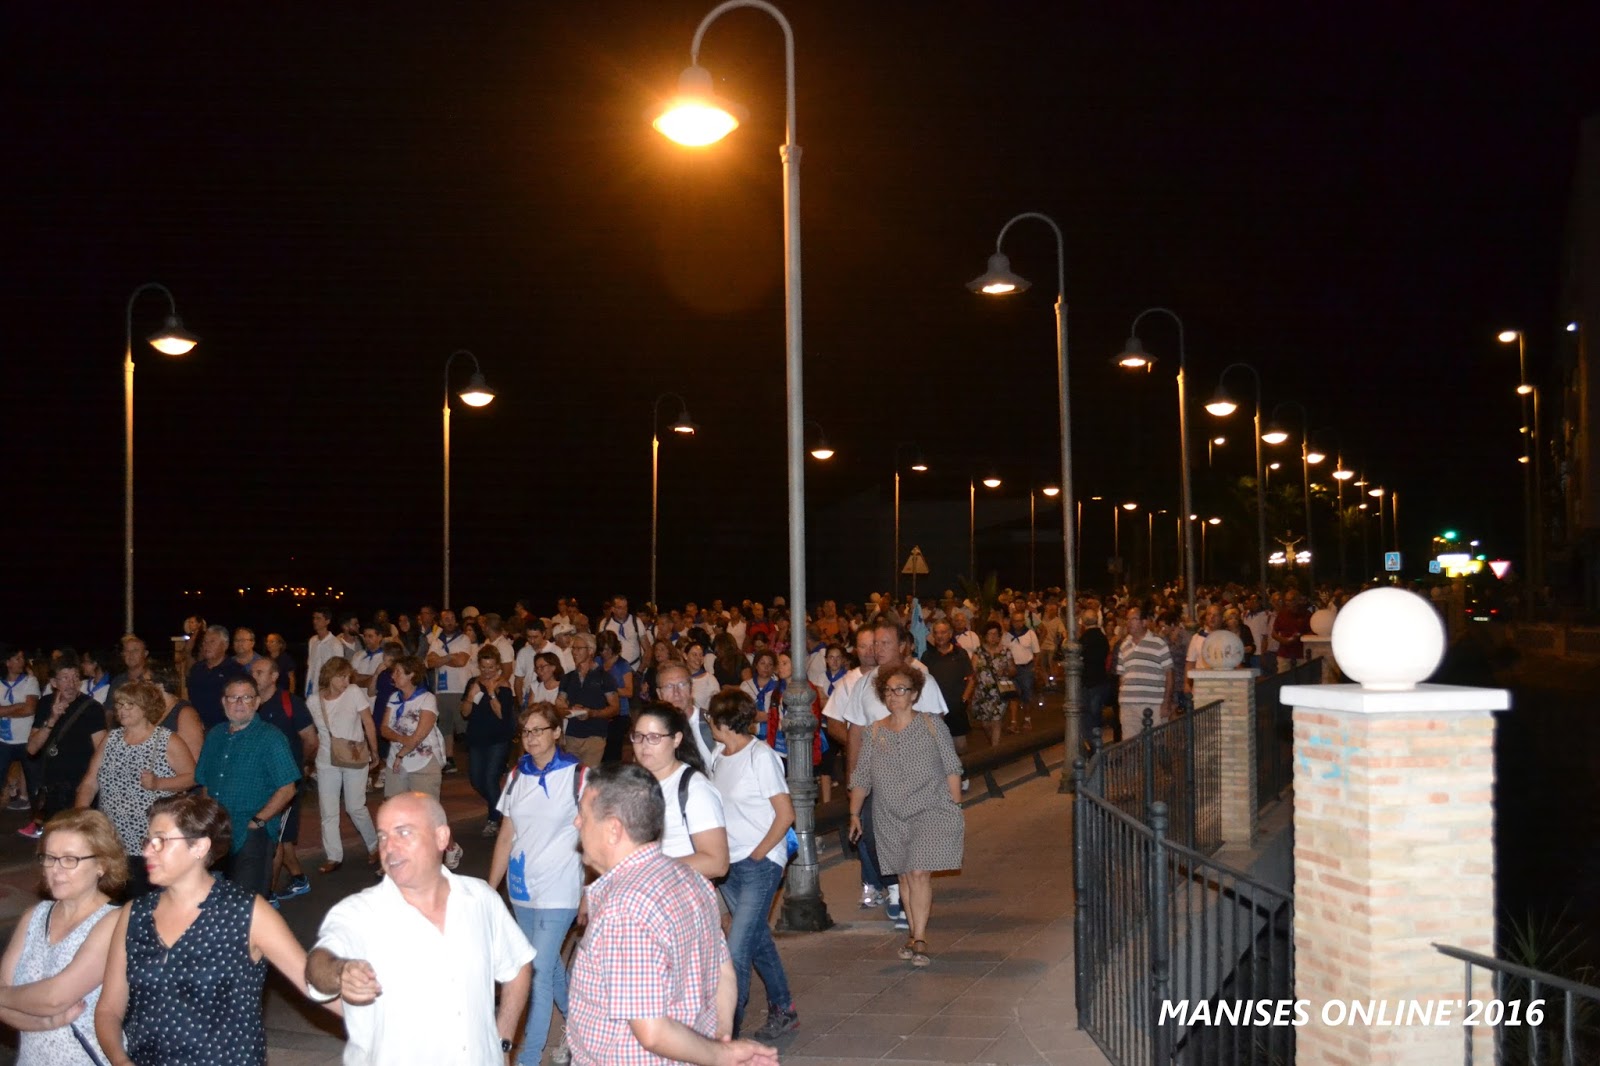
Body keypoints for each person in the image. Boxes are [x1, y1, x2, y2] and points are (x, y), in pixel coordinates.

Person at [567, 763, 778, 1066]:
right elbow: (723, 971)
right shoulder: (690, 879)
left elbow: (651, 1031)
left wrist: (721, 1054)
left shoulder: (624, 910)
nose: (576, 822)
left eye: (584, 815)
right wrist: (720, 1039)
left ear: (613, 829)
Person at [95, 793, 325, 1066]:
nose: (146, 851)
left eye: (160, 841)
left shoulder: (246, 912)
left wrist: (359, 994)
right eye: (148, 841)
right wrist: (121, 1061)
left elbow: (313, 983)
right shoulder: (134, 915)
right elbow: (109, 1009)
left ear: (199, 847)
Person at [306, 795, 533, 1066]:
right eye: (382, 836)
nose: (389, 847)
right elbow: (318, 965)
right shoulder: (359, 913)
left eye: (403, 833)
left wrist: (503, 1042)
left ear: (441, 837)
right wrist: (340, 971)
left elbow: (518, 965)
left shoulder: (480, 898)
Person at [847, 665, 964, 968]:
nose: (893, 695)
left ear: (913, 694)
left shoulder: (931, 725)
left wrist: (955, 806)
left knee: (919, 872)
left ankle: (920, 938)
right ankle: (913, 934)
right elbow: (862, 777)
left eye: (900, 689)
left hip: (929, 809)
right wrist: (854, 813)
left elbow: (952, 766)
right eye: (888, 691)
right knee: (904, 875)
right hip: (889, 815)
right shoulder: (874, 732)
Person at [488, 706, 584, 1066]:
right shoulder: (517, 775)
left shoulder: (578, 775)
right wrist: (489, 889)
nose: (531, 738)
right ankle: (580, 1027)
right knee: (548, 964)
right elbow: (506, 836)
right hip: (522, 887)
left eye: (539, 730)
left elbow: (593, 834)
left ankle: (528, 1058)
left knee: (537, 972)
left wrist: (592, 887)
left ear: (557, 732)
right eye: (526, 731)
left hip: (561, 887)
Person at [705, 690, 798, 1041]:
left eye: (711, 717)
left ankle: (726, 1033)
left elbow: (785, 814)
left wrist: (759, 853)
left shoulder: (761, 757)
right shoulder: (718, 756)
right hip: (729, 867)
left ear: (722, 721)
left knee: (736, 950)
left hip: (759, 864)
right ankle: (784, 1009)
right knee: (757, 941)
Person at [0, 809, 125, 1062]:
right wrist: (47, 1023)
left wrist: (6, 997)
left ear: (102, 865)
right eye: (49, 858)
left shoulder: (115, 922)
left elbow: (55, 997)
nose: (55, 870)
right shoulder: (34, 916)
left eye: (70, 859)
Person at [75, 680, 195, 897]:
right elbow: (90, 781)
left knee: (146, 899)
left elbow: (193, 777)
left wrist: (159, 783)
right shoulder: (111, 739)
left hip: (149, 838)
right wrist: (81, 816)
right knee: (113, 897)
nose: (122, 710)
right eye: (119, 705)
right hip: (113, 837)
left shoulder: (166, 740)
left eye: (130, 705)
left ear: (146, 707)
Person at [192, 677, 301, 899]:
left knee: (248, 901)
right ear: (224, 702)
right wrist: (207, 819)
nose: (239, 703)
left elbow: (288, 788)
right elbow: (204, 781)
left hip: (253, 833)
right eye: (233, 697)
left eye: (246, 697)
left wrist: (258, 821)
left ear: (257, 702)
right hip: (217, 831)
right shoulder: (215, 735)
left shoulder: (271, 738)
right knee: (217, 899)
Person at [629, 703, 727, 880]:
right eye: (638, 736)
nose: (644, 745)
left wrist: (650, 869)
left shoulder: (695, 788)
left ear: (676, 739)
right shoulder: (633, 783)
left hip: (677, 890)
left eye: (654, 737)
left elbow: (717, 863)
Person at [249, 658, 317, 903]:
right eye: (252, 671)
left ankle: (267, 895)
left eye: (259, 672)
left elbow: (311, 740)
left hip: (285, 783)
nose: (253, 675)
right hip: (257, 782)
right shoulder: (250, 704)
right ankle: (298, 878)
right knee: (282, 835)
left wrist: (300, 767)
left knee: (274, 837)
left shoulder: (291, 704)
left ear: (274, 676)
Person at [306, 658, 379, 874]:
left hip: (354, 756)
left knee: (355, 807)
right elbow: (312, 733)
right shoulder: (313, 701)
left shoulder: (354, 692)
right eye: (341, 677)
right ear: (329, 676)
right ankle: (333, 856)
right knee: (328, 810)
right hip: (326, 760)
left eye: (348, 676)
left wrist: (375, 751)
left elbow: (368, 722)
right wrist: (308, 760)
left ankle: (374, 845)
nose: (346, 681)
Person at [23, 655, 106, 838]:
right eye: (65, 678)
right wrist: (52, 720)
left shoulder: (92, 708)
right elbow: (32, 748)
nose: (71, 683)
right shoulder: (45, 704)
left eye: (75, 677)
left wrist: (90, 785)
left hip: (80, 787)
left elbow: (102, 751)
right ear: (54, 682)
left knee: (81, 838)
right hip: (52, 788)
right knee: (55, 839)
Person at [461, 645, 516, 838]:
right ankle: (501, 807)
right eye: (483, 667)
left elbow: (502, 715)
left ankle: (493, 818)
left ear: (498, 666)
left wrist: (492, 693)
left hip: (498, 739)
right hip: (477, 738)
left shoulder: (504, 686)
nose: (487, 671)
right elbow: (464, 713)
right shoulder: (473, 683)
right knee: (476, 780)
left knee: (491, 778)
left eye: (491, 667)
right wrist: (470, 696)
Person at [379, 655, 445, 798]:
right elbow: (384, 729)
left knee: (424, 809)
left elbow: (418, 736)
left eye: (398, 672)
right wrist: (402, 739)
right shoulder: (394, 698)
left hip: (423, 763)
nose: (393, 676)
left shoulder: (427, 698)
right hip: (395, 763)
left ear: (411, 675)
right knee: (394, 807)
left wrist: (400, 755)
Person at [555, 634, 618, 768]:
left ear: (590, 651)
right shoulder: (567, 678)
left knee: (587, 776)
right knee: (571, 776)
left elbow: (615, 708)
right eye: (573, 648)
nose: (574, 652)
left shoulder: (604, 678)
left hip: (595, 736)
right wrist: (570, 710)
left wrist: (592, 713)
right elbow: (558, 708)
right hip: (572, 736)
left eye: (579, 648)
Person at [425, 608, 475, 772]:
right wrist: (450, 657)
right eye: (446, 618)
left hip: (460, 688)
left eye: (452, 618)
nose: (450, 621)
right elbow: (430, 663)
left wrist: (440, 659)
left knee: (465, 727)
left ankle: (475, 758)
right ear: (440, 622)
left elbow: (461, 661)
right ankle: (449, 759)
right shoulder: (436, 641)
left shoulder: (463, 638)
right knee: (445, 727)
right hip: (441, 690)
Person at [1116, 605, 1175, 738]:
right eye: (1127, 619)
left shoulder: (1158, 643)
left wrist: (1166, 703)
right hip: (1129, 705)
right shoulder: (1124, 645)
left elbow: (1169, 674)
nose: (1129, 623)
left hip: (1153, 703)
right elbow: (1121, 676)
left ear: (1144, 622)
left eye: (1133, 619)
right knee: (1130, 744)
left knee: (1156, 743)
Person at [969, 621, 1018, 748]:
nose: (993, 637)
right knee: (986, 723)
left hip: (999, 693)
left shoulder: (1005, 651)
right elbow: (972, 673)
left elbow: (1013, 670)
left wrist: (1005, 671)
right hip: (982, 693)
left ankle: (995, 750)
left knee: (996, 721)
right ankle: (993, 744)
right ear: (985, 636)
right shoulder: (978, 652)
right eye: (990, 634)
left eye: (996, 634)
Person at [596, 630, 636, 764]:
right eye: (602, 649)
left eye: (608, 649)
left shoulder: (623, 665)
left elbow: (629, 691)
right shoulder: (597, 662)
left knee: (612, 748)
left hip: (620, 713)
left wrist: (609, 690)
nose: (605, 653)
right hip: (600, 710)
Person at [1078, 608, 1112, 752]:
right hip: (1100, 680)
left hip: (1088, 682)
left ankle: (1093, 746)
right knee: (1095, 715)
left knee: (1088, 716)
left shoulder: (1084, 639)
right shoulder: (1102, 638)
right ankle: (1096, 744)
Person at [305, 609, 344, 702]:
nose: (315, 621)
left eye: (318, 618)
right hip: (312, 687)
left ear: (327, 621)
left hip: (327, 690)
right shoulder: (312, 641)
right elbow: (311, 665)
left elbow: (338, 670)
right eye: (314, 618)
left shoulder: (335, 644)